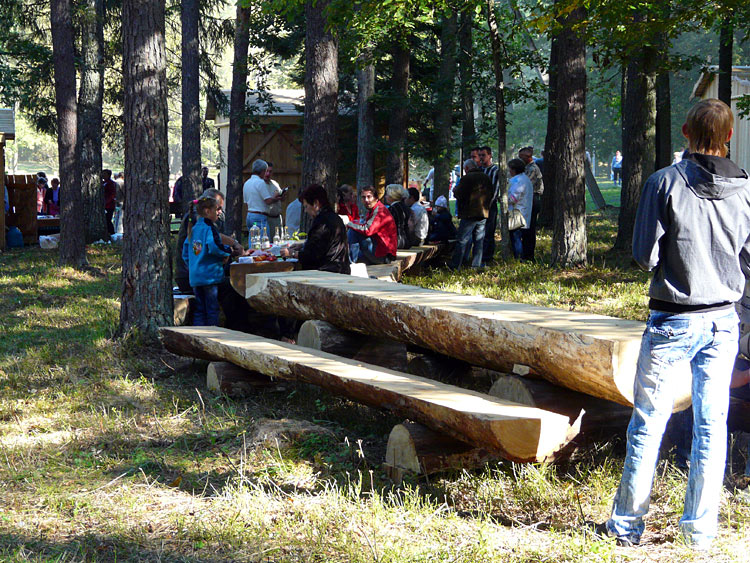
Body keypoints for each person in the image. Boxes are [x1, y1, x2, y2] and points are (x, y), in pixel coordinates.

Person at [599, 99, 750, 551]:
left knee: (648, 423)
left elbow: (644, 255)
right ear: (728, 136)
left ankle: (626, 525)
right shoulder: (746, 190)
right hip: (723, 321)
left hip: (673, 318)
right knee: (712, 426)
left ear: (685, 131)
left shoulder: (663, 182)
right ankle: (699, 533)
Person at [182, 195, 233, 326]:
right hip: (209, 277)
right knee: (212, 309)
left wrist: (193, 266)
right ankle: (212, 333)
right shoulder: (209, 228)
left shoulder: (193, 229)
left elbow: (185, 254)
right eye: (217, 209)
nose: (219, 213)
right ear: (207, 211)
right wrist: (227, 251)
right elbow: (214, 246)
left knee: (200, 310)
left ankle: (198, 334)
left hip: (195, 277)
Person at [281, 184, 350, 274]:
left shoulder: (322, 222)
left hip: (327, 272)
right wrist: (303, 245)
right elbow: (323, 245)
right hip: (340, 269)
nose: (305, 211)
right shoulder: (334, 218)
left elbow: (312, 256)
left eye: (306, 206)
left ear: (316, 204)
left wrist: (291, 253)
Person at [450, 159, 494, 270]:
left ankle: (456, 265)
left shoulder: (466, 179)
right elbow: (491, 193)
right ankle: (476, 265)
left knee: (462, 240)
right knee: (479, 240)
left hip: (469, 213)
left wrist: (455, 190)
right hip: (483, 212)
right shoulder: (486, 177)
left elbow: (460, 194)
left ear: (467, 168)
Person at [347, 185, 397, 264]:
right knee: (355, 257)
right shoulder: (373, 209)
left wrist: (348, 223)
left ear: (376, 198)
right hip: (379, 251)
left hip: (384, 255)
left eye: (369, 197)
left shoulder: (380, 211)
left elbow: (368, 230)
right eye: (363, 197)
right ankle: (350, 261)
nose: (366, 200)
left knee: (353, 232)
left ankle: (351, 264)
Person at [243, 159, 281, 237]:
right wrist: (276, 197)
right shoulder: (260, 182)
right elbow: (268, 201)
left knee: (252, 240)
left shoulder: (247, 183)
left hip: (249, 215)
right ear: (263, 171)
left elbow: (246, 202)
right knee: (263, 240)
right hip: (259, 216)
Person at [518, 147, 544, 261]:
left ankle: (529, 255)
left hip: (532, 199)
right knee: (525, 229)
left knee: (529, 229)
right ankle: (525, 253)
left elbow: (524, 183)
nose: (520, 159)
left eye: (521, 157)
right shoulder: (526, 168)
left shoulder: (532, 169)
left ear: (528, 157)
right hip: (527, 199)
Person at [507, 158, 533, 260]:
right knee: (523, 238)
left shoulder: (518, 181)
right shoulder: (525, 179)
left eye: (510, 169)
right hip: (523, 212)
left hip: (517, 214)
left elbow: (513, 198)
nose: (509, 171)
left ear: (514, 169)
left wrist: (503, 199)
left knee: (516, 238)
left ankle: (519, 258)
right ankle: (524, 257)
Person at [478, 145, 500, 265]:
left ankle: (487, 257)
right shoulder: (479, 170)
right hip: (479, 206)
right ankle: (479, 256)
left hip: (490, 206)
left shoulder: (495, 170)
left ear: (490, 155)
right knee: (479, 232)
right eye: (480, 155)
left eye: (484, 155)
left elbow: (495, 191)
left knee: (489, 232)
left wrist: (488, 205)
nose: (481, 158)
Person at [384, 184, 412, 250]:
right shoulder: (406, 207)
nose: (385, 197)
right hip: (407, 241)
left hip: (396, 242)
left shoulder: (392, 209)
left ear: (392, 196)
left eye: (387, 195)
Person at [263, 161, 284, 239]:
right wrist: (274, 198)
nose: (268, 174)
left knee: (279, 241)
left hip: (278, 218)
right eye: (266, 171)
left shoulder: (275, 184)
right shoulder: (260, 185)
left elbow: (281, 198)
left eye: (270, 171)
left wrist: (282, 196)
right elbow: (266, 201)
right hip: (267, 218)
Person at [102, 169, 117, 235]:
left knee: (108, 220)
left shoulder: (111, 184)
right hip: (105, 205)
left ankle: (112, 233)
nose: (103, 175)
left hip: (109, 206)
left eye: (104, 174)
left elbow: (112, 195)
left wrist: (106, 202)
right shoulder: (103, 183)